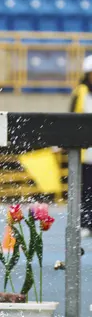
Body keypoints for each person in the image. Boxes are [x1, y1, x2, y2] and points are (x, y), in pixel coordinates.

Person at [71, 54, 92, 238]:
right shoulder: (81, 91)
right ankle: (86, 223)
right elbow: (72, 115)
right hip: (87, 151)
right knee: (86, 189)